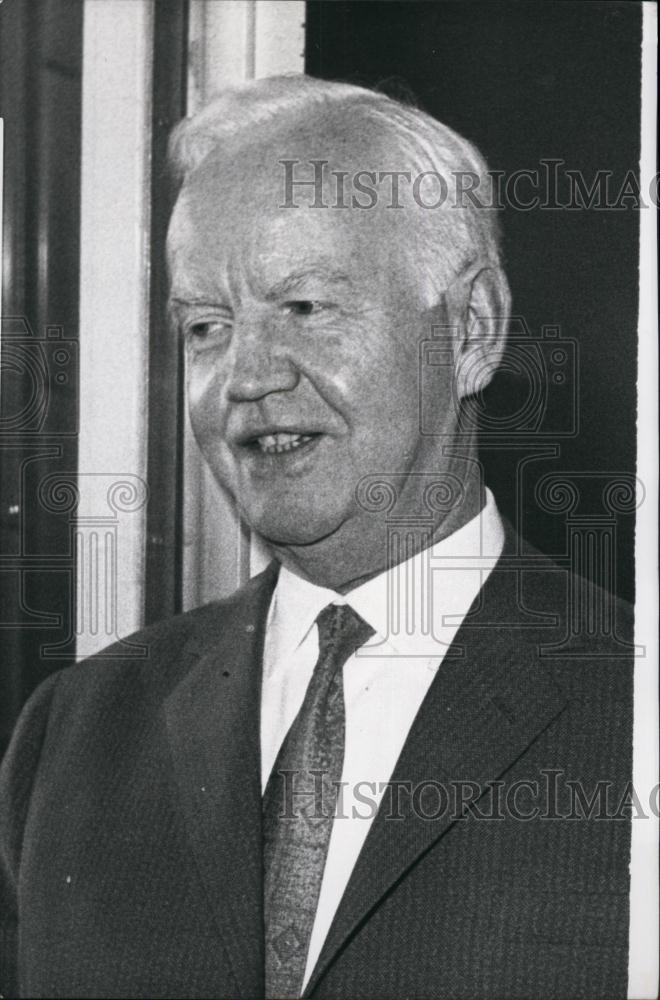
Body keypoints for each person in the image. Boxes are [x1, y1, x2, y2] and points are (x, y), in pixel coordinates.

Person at [0, 76, 633, 1000]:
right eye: (207, 327)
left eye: (304, 308)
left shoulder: (635, 711)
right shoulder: (72, 737)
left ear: (471, 329)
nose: (246, 377)